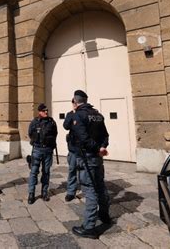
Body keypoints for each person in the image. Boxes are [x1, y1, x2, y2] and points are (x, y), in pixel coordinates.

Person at [64, 90, 112, 239]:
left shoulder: (79, 115)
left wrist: (98, 149)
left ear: (75, 101)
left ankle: (89, 227)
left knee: (89, 190)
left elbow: (83, 138)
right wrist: (102, 147)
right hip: (97, 157)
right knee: (100, 186)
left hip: (87, 157)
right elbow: (105, 135)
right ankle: (104, 215)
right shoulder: (97, 114)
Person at [27, 103, 57, 204]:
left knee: (46, 171)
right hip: (37, 149)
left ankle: (44, 192)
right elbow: (30, 133)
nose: (46, 112)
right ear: (39, 112)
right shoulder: (35, 122)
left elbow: (55, 133)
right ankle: (31, 193)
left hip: (48, 150)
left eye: (47, 110)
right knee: (34, 171)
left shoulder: (51, 122)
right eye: (44, 111)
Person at [63, 98, 79, 202]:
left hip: (85, 149)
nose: (75, 104)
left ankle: (89, 191)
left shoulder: (85, 113)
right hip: (73, 148)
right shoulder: (70, 114)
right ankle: (71, 192)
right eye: (73, 102)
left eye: (77, 102)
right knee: (72, 170)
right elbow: (65, 126)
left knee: (86, 171)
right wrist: (73, 114)